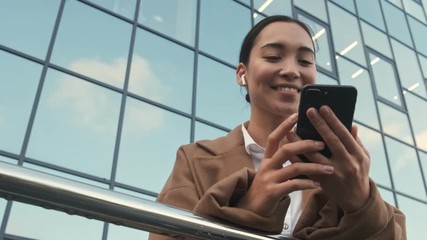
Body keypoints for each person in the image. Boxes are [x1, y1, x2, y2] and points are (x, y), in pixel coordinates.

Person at [149, 15, 406, 239]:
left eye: (305, 61)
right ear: (242, 74)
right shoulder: (195, 160)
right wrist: (249, 207)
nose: (291, 70)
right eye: (273, 56)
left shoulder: (341, 172)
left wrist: (360, 203)